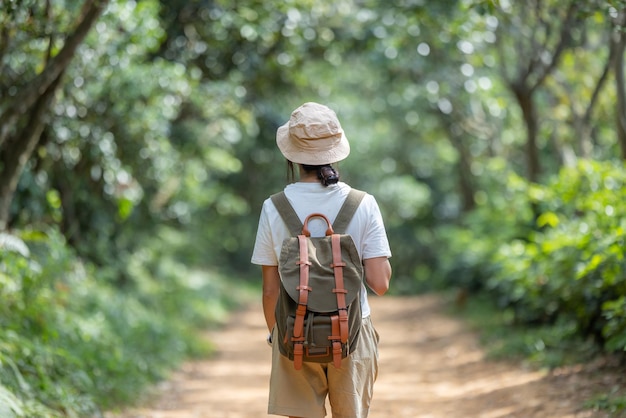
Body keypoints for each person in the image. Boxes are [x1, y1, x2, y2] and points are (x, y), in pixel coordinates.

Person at [251, 102, 392, 418]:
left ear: (291, 155)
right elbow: (380, 284)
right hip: (352, 334)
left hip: (293, 332)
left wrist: (280, 338)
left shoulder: (273, 207)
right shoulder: (363, 204)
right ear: (337, 152)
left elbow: (270, 291)